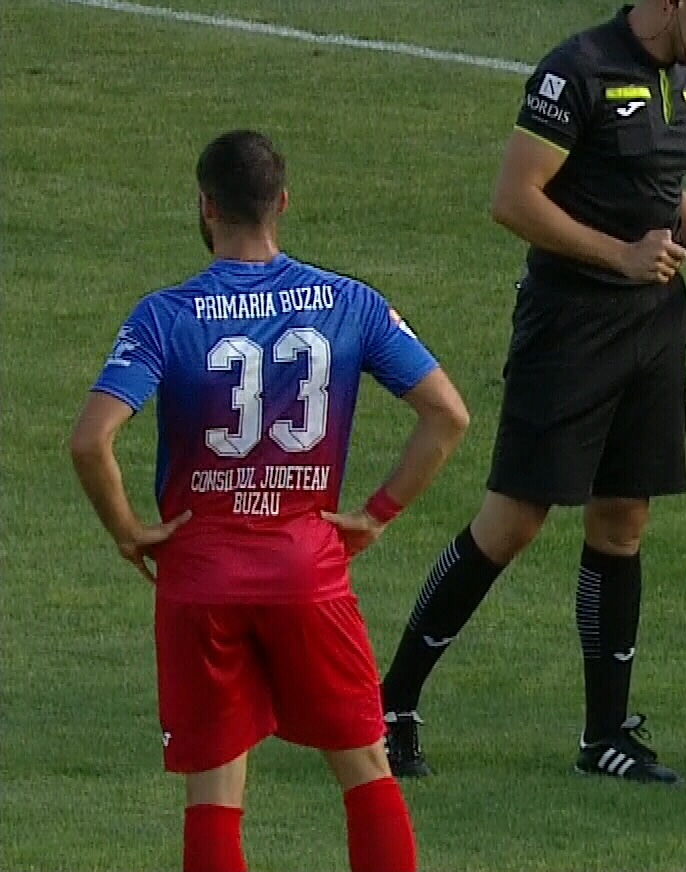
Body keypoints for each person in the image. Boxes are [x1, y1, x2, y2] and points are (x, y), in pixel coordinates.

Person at [379, 0, 686, 784]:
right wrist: (621, 256)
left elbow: (664, 193)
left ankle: (604, 736)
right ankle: (391, 703)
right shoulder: (577, 72)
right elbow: (513, 200)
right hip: (570, 331)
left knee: (622, 524)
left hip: (653, 332)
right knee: (512, 524)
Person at [69, 130, 470, 872]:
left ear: (205, 205)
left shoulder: (166, 315)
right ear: (282, 203)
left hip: (200, 574)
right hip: (307, 569)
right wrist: (376, 515)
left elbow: (91, 441)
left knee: (214, 786)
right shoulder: (350, 303)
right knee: (364, 768)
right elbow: (448, 414)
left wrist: (128, 531)